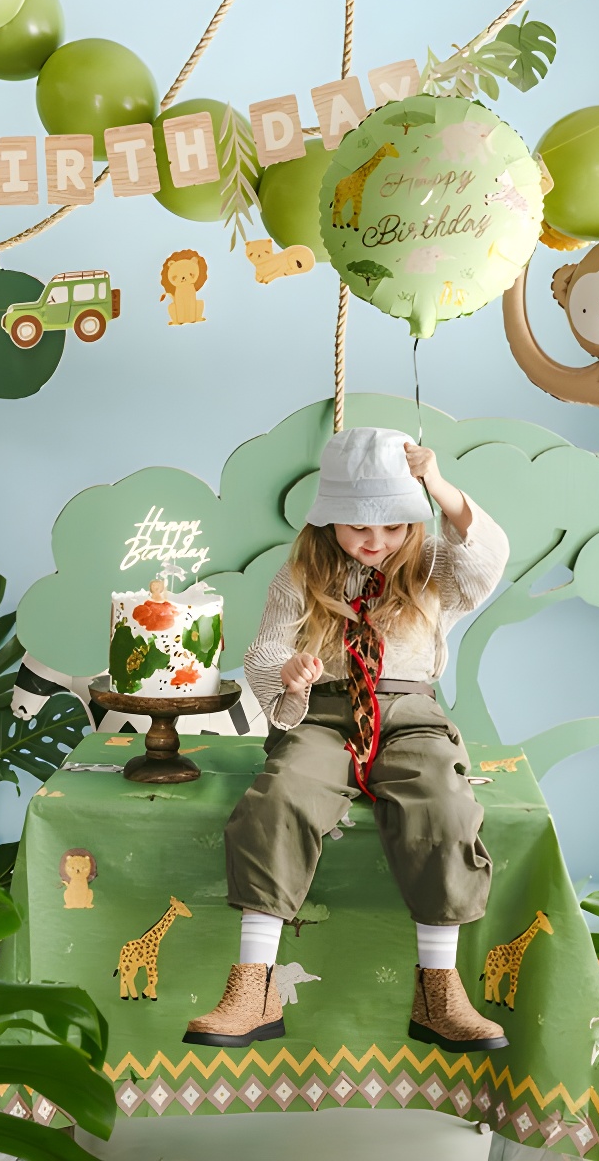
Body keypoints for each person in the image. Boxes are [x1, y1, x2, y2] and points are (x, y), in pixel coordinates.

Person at [182, 426, 511, 1053]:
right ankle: (253, 985)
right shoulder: (299, 576)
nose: (376, 541)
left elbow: (486, 557)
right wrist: (289, 674)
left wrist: (438, 486)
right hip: (323, 713)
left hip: (409, 712)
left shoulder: (432, 566)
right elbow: (266, 649)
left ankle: (439, 992)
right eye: (359, 526)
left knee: (443, 805)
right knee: (280, 798)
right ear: (327, 518)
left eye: (394, 526)